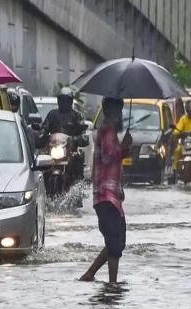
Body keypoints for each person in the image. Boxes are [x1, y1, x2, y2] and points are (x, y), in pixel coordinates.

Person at [80, 97, 132, 283]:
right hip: (106, 196)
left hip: (112, 195)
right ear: (110, 111)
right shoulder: (107, 130)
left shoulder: (108, 131)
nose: (119, 114)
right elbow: (110, 156)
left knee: (117, 241)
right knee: (114, 242)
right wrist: (124, 146)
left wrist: (125, 148)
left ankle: (90, 274)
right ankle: (112, 284)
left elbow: (113, 158)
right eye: (117, 110)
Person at [42, 87, 86, 181]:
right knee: (42, 163)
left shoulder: (77, 115)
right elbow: (44, 128)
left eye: (66, 100)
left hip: (70, 150)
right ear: (59, 100)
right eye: (62, 100)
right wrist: (41, 135)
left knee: (78, 157)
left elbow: (83, 132)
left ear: (70, 101)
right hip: (54, 149)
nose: (64, 103)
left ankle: (78, 184)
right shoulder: (52, 114)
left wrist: (79, 138)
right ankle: (44, 185)